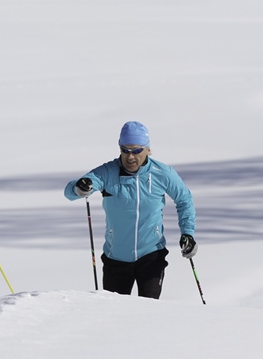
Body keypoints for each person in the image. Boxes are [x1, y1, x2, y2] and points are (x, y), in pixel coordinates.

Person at [64, 121, 196, 298]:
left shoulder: (162, 173)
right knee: (113, 317)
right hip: (115, 260)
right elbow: (71, 192)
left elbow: (184, 199)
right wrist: (79, 187)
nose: (130, 156)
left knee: (148, 313)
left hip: (151, 256)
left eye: (136, 151)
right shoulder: (107, 172)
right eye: (125, 150)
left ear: (148, 150)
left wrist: (187, 233)